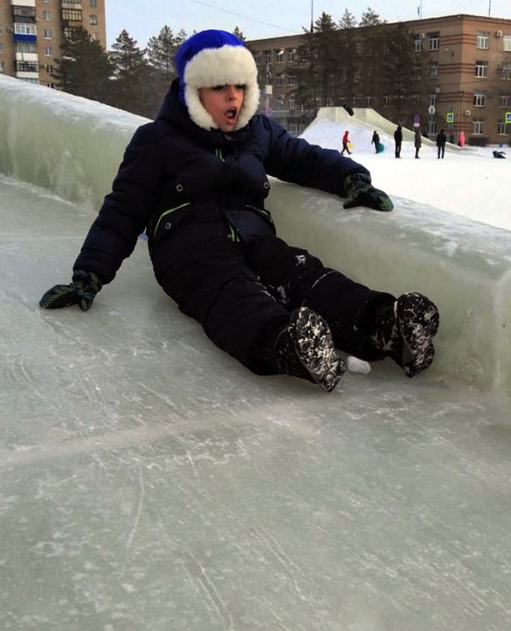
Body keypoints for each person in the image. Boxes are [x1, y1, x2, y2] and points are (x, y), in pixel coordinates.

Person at [39, 30, 439, 393]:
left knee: (301, 271)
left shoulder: (258, 132)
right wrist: (89, 273)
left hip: (253, 235)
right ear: (192, 93)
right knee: (231, 293)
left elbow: (304, 159)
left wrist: (352, 177)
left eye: (240, 87)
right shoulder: (157, 141)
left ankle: (382, 324)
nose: (233, 97)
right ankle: (283, 344)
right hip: (187, 250)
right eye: (219, 87)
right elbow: (123, 209)